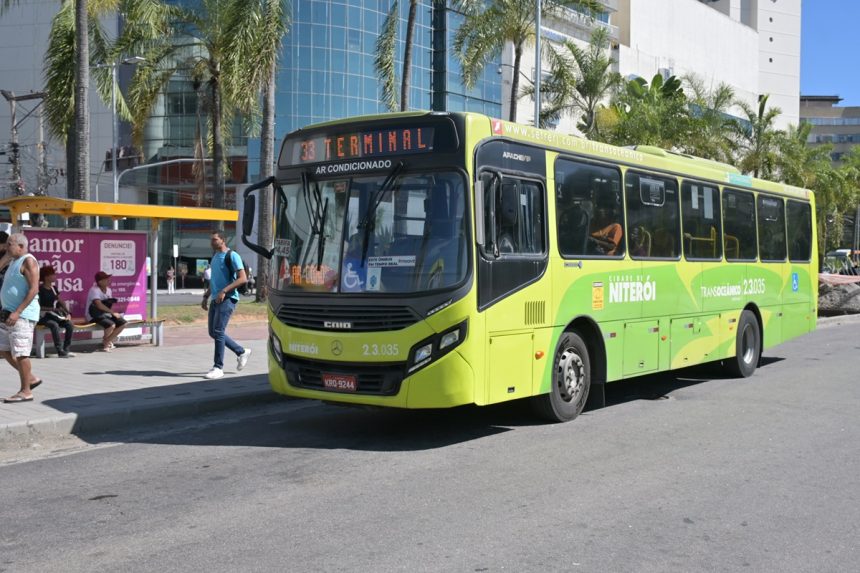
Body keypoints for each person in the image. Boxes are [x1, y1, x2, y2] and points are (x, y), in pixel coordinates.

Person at [202, 230, 251, 380]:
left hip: (228, 298)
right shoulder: (215, 256)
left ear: (223, 240)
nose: (212, 242)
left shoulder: (232, 255)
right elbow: (214, 280)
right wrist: (206, 296)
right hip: (215, 299)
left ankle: (218, 367)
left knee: (218, 331)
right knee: (213, 332)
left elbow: (243, 278)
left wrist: (224, 291)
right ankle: (241, 351)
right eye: (211, 240)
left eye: (215, 240)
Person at [0, 233, 43, 403]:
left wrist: (18, 311)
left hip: (21, 316)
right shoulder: (12, 260)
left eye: (10, 244)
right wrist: (6, 255)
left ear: (20, 246)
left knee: (21, 353)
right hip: (7, 314)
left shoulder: (29, 261)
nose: (6, 246)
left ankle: (26, 391)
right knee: (4, 349)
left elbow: (33, 289)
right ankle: (30, 378)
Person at [38, 265, 76, 357]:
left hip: (54, 315)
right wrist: (53, 309)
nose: (55, 276)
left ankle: (66, 349)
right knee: (54, 325)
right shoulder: (39, 289)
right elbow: (38, 307)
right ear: (46, 277)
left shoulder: (54, 288)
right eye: (53, 274)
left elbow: (61, 302)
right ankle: (59, 350)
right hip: (43, 316)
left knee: (69, 324)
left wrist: (68, 313)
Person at [85, 271, 127, 352]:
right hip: (93, 315)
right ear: (100, 282)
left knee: (123, 323)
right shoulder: (94, 290)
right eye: (106, 279)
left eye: (108, 278)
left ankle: (107, 340)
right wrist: (112, 313)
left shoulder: (109, 290)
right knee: (111, 325)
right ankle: (106, 345)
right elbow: (99, 305)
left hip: (105, 314)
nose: (108, 280)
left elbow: (107, 305)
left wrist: (112, 312)